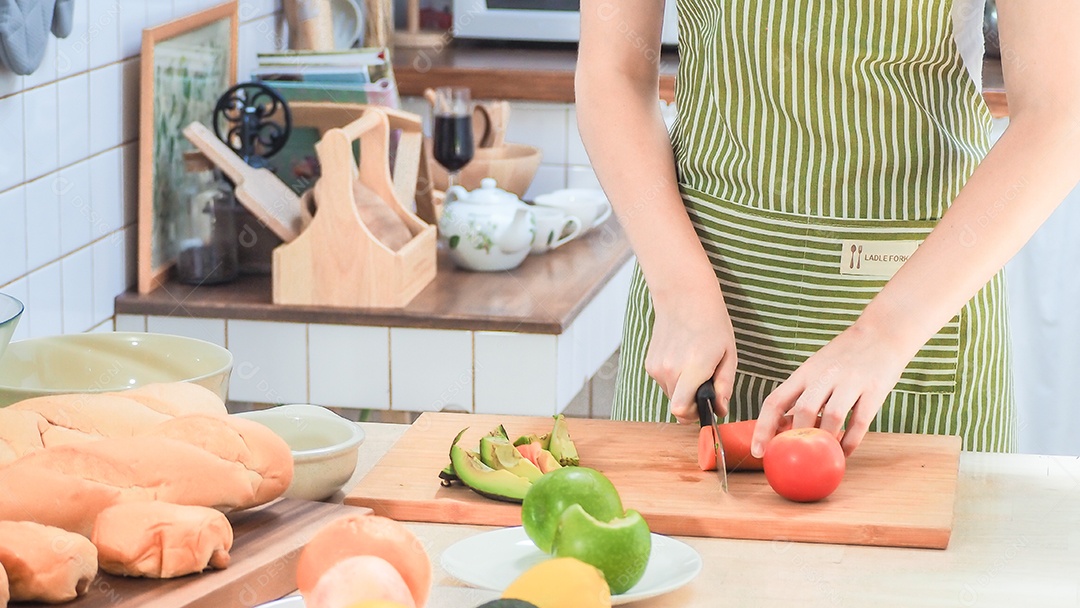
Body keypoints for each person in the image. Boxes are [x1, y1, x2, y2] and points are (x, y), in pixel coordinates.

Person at [575, 0, 1080, 456]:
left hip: (919, 319)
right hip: (697, 305)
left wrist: (885, 334)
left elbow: (1059, 115)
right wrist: (680, 289)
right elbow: (611, 74)